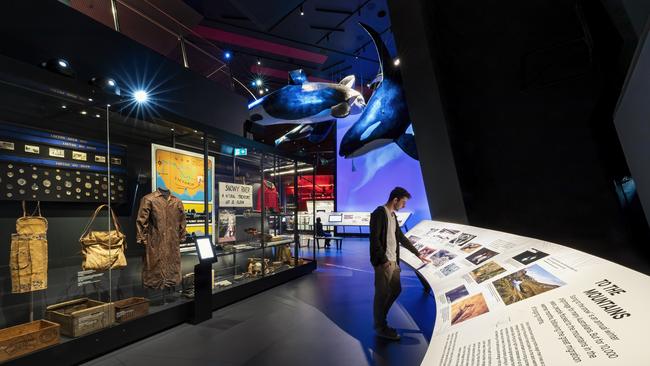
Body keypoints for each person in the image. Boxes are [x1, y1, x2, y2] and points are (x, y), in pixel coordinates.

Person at [370, 187, 430, 341]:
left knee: (396, 290)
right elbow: (375, 240)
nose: (404, 206)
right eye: (403, 202)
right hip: (384, 263)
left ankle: (381, 318)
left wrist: (417, 253)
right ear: (395, 200)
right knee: (381, 295)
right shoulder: (379, 213)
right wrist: (383, 261)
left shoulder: (392, 216)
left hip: (393, 261)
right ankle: (380, 326)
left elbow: (401, 237)